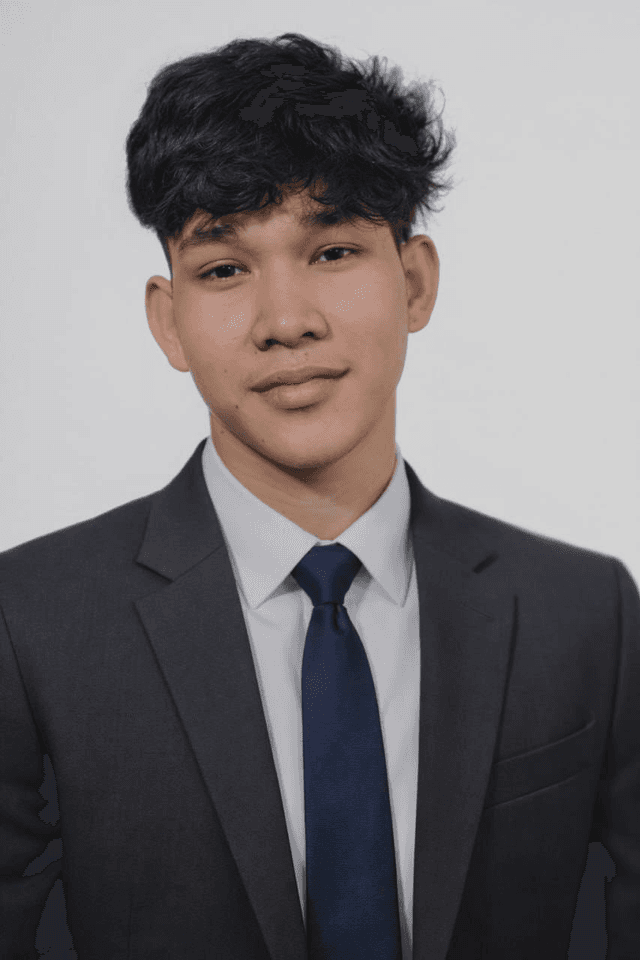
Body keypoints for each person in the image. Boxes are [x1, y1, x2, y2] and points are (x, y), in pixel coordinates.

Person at [0, 31, 638, 960]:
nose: (286, 321)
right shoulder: (29, 624)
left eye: (333, 251)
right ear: (168, 321)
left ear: (414, 283)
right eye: (224, 269)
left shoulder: (586, 615)